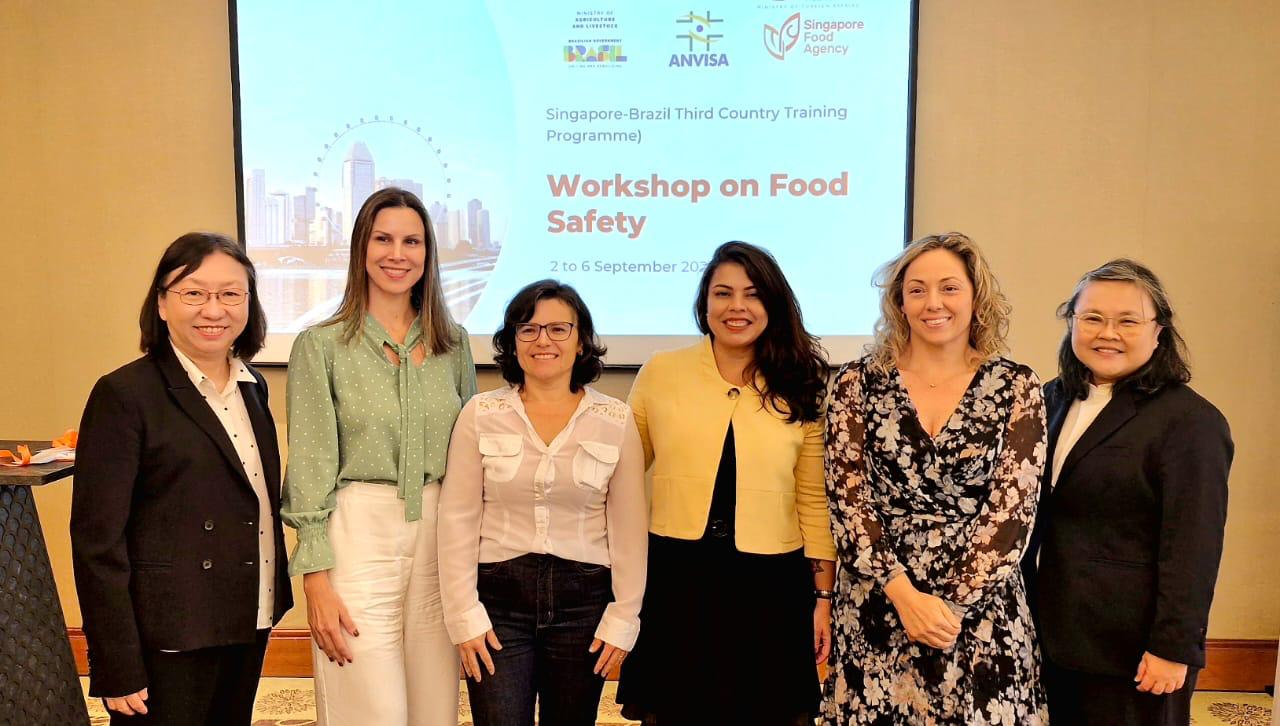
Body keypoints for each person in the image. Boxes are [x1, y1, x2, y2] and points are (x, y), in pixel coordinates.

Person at [823, 232, 1048, 724]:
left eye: (949, 287)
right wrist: (905, 597)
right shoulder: (855, 382)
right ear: (899, 302)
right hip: (879, 602)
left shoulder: (1017, 385)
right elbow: (848, 501)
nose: (933, 303)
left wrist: (947, 610)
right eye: (917, 290)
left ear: (975, 297)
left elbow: (1013, 513)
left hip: (980, 609)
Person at [72, 232, 292, 724]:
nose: (213, 309)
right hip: (169, 630)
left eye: (230, 294)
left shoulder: (252, 387)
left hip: (248, 613)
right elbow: (97, 543)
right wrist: (116, 661)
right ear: (162, 303)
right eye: (194, 293)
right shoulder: (124, 394)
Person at [616, 241, 836, 726]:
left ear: (773, 304)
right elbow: (621, 475)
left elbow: (813, 497)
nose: (737, 307)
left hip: (771, 583)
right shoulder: (662, 371)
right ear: (705, 303)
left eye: (752, 294)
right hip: (678, 577)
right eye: (723, 293)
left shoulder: (801, 380)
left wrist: (823, 598)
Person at [282, 187, 476, 725]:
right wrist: (315, 578)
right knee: (369, 706)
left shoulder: (453, 343)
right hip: (357, 533)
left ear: (427, 252)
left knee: (435, 707)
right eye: (383, 239)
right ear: (361, 249)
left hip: (439, 534)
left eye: (412, 241)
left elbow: (469, 456)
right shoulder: (321, 345)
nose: (397, 254)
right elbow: (310, 463)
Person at [1027, 259, 1231, 725]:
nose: (1108, 333)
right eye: (1092, 318)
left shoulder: (1190, 422)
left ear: (1159, 331)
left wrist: (1173, 647)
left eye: (1127, 321)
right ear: (1071, 322)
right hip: (1050, 638)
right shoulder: (1048, 398)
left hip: (1133, 652)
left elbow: (1194, 546)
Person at [438, 280, 647, 726]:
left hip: (584, 603)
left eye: (558, 329)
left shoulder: (615, 419)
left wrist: (624, 616)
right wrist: (463, 614)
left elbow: (629, 529)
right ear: (512, 341)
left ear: (581, 340)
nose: (542, 341)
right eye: (528, 329)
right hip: (497, 602)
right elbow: (457, 519)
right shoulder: (480, 414)